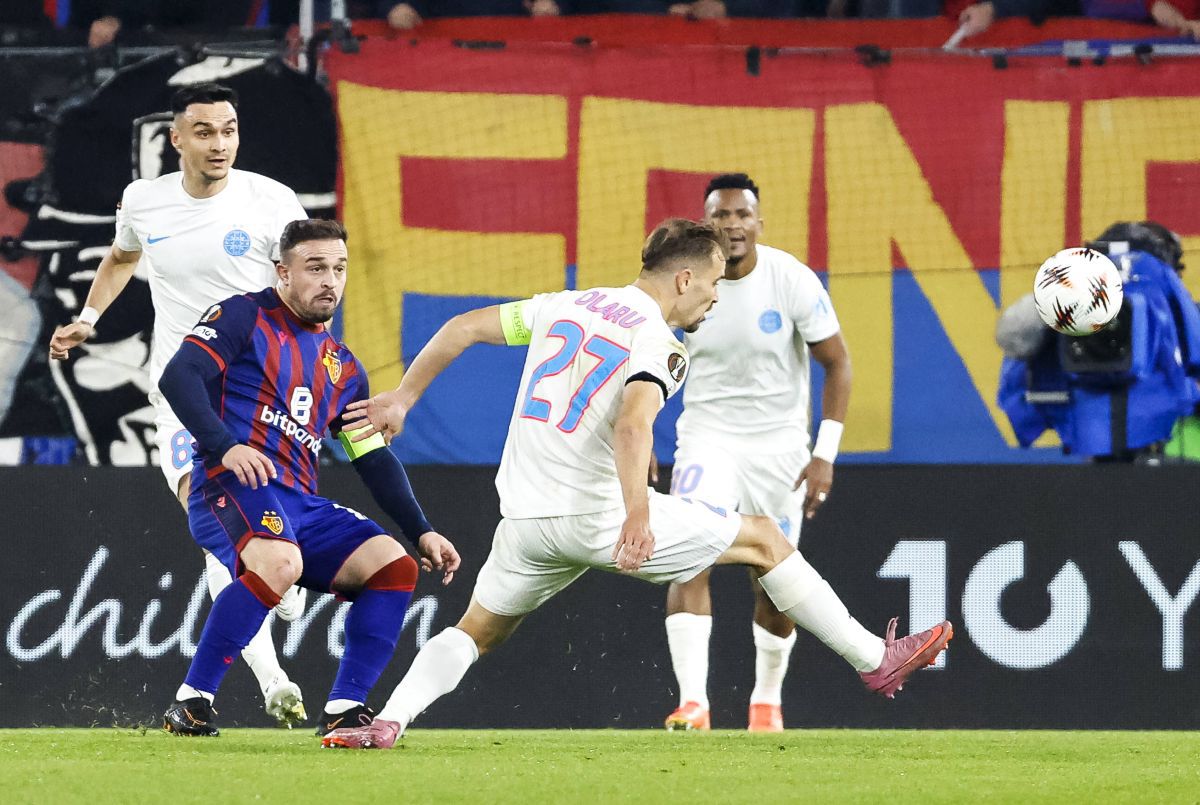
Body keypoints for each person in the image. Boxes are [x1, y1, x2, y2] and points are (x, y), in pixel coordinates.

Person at [322, 218, 952, 750]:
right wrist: (637, 516)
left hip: (524, 520)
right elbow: (632, 425)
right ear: (684, 279)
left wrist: (403, 397)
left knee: (477, 629)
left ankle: (389, 719)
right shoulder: (661, 343)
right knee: (764, 537)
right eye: (711, 286)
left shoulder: (564, 305)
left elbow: (462, 328)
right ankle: (875, 659)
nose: (713, 299)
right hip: (597, 516)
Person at [47, 83, 312, 727]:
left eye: (228, 130)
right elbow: (120, 257)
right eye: (204, 131)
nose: (218, 143)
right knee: (223, 528)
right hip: (183, 389)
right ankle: (271, 676)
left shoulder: (272, 201)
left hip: (261, 390)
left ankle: (280, 596)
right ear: (178, 139)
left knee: (261, 538)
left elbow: (310, 282)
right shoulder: (145, 201)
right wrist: (87, 318)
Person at [157, 218, 460, 737]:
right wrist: (227, 447)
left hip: (298, 501)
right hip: (229, 487)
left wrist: (422, 528)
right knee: (280, 560)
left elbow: (370, 458)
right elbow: (178, 376)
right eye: (315, 268)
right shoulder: (242, 316)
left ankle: (345, 709)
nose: (330, 281)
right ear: (283, 272)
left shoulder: (343, 366)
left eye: (339, 269)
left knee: (393, 566)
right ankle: (192, 701)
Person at [661, 174, 851, 733]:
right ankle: (692, 703)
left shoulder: (791, 279)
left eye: (743, 214)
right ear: (705, 224)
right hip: (707, 439)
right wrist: (641, 434)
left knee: (775, 579)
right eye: (721, 215)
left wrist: (826, 454)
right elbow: (644, 361)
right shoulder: (687, 283)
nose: (733, 225)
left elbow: (838, 362)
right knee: (688, 556)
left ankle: (766, 702)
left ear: (759, 223)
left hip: (779, 450)